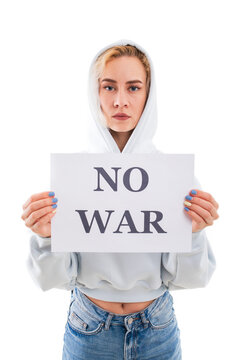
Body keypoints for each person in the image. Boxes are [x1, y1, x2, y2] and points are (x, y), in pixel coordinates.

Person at [21, 39, 219, 360]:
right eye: (109, 87)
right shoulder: (72, 176)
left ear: (148, 95)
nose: (121, 101)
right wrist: (46, 238)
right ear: (94, 93)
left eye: (134, 88)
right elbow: (54, 280)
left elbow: (190, 280)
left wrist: (193, 233)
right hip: (89, 328)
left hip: (157, 327)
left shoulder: (173, 177)